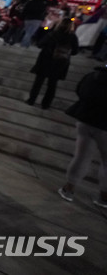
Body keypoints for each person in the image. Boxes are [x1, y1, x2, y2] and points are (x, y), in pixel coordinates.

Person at [57, 64, 107, 209]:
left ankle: (69, 189)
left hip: (86, 121)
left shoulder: (92, 76)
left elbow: (80, 91)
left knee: (81, 156)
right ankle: (104, 197)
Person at [26, 18, 78, 109]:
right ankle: (46, 104)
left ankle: (32, 100)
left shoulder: (52, 34)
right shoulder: (73, 37)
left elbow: (40, 44)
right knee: (52, 84)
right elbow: (75, 51)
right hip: (60, 62)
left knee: (38, 82)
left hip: (46, 59)